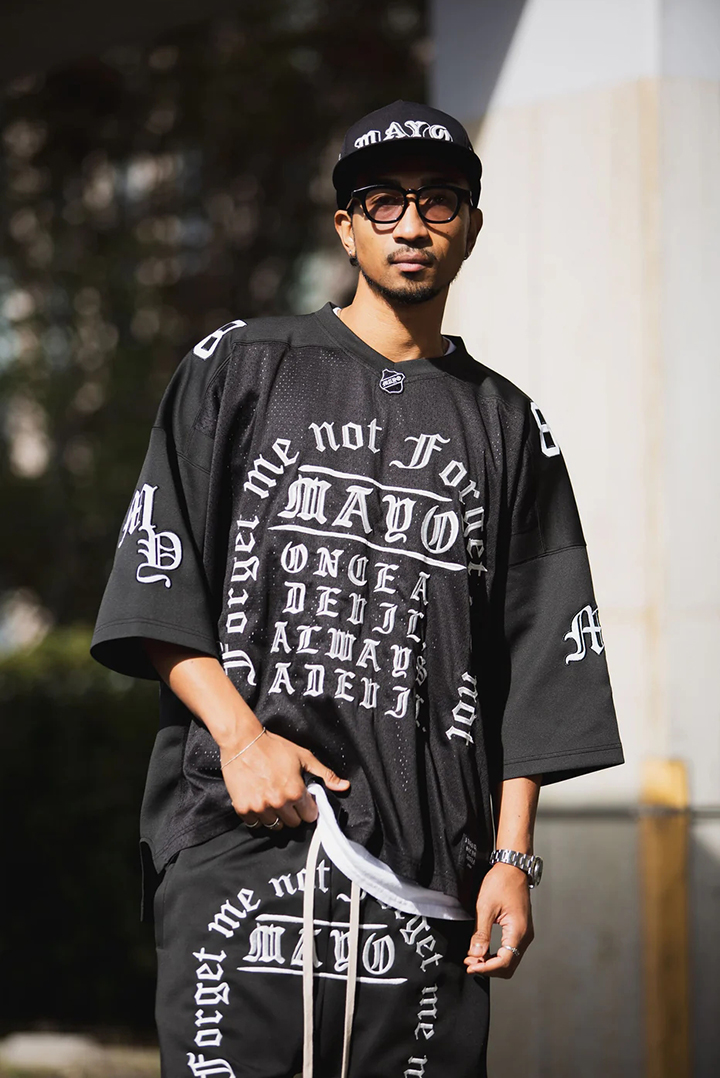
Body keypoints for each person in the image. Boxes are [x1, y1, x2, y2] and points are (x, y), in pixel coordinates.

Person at [91, 100, 624, 1078]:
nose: (412, 225)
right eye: (385, 202)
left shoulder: (510, 427)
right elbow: (161, 576)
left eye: (439, 201)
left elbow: (540, 663)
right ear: (346, 228)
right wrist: (240, 738)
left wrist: (512, 860)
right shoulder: (241, 365)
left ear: (471, 225)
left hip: (426, 865)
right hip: (238, 832)